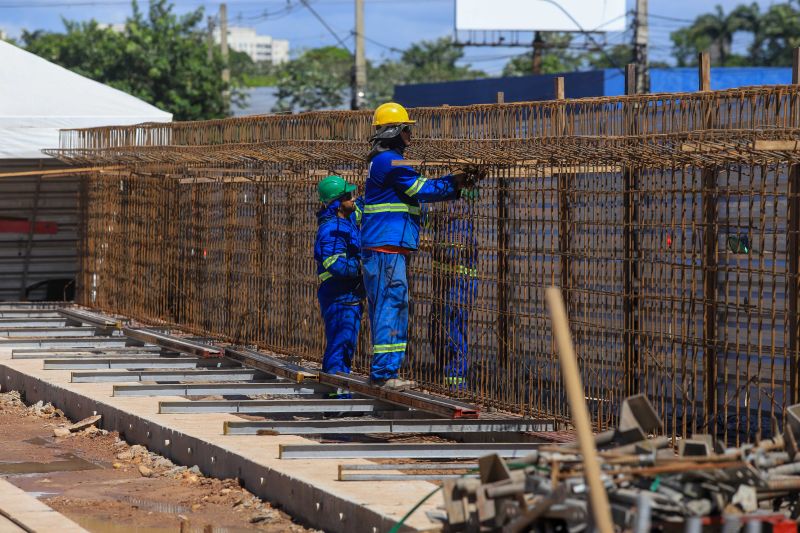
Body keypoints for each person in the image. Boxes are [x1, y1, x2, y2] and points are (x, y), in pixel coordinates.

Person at [361, 102, 475, 390]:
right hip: (386, 248)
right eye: (407, 130)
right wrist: (455, 182)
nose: (411, 135)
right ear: (395, 131)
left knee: (392, 306)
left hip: (387, 247)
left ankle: (385, 372)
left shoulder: (382, 160)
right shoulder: (390, 161)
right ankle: (385, 374)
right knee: (391, 305)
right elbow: (421, 189)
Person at [314, 175, 364, 392]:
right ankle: (336, 399)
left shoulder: (345, 220)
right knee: (339, 346)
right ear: (337, 202)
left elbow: (362, 206)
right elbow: (335, 264)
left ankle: (336, 393)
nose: (353, 198)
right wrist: (362, 267)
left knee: (344, 346)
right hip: (338, 296)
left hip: (347, 296)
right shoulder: (331, 230)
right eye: (348, 196)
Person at [425, 196, 479, 391]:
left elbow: (452, 253)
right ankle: (448, 377)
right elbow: (424, 218)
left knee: (452, 333)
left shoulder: (459, 222)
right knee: (437, 330)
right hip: (444, 286)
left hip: (458, 287)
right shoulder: (444, 220)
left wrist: (430, 246)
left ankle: (457, 381)